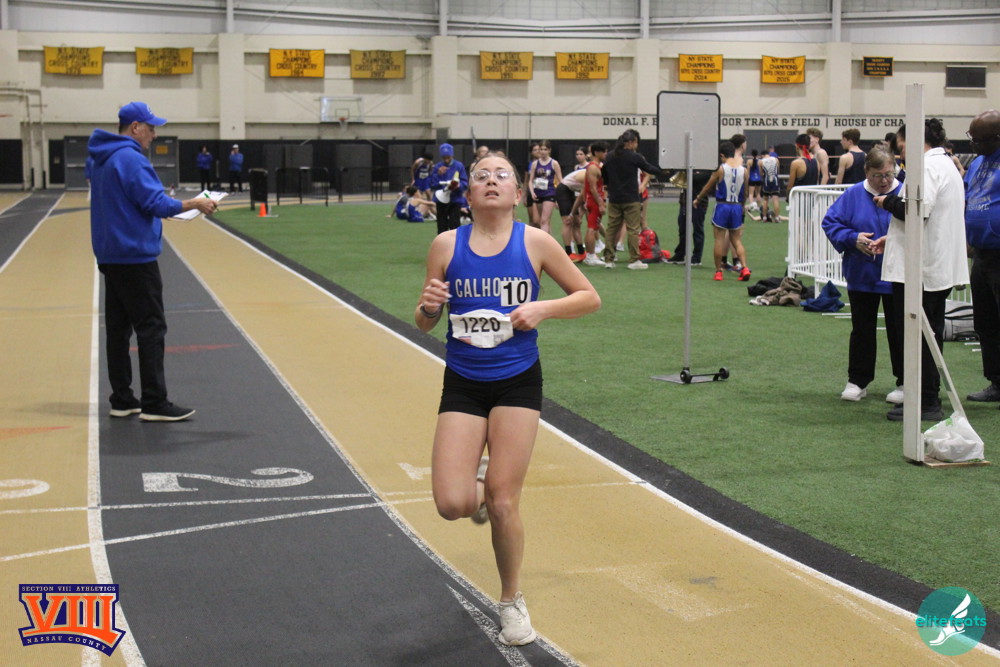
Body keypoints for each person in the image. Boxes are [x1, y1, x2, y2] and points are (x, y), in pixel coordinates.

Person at [414, 152, 600, 646]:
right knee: (452, 503)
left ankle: (511, 600)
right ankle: (479, 482)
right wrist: (427, 309)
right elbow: (426, 320)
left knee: (502, 500)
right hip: (463, 381)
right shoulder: (445, 245)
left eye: (502, 176)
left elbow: (588, 297)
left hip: (517, 380)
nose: (491, 181)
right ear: (469, 194)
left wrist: (543, 309)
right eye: (481, 176)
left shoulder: (535, 241)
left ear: (519, 194)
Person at [89, 102, 218, 421]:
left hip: (110, 254)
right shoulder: (131, 158)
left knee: (118, 330)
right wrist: (195, 203)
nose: (154, 135)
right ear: (135, 127)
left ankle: (122, 399)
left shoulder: (100, 158)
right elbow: (155, 202)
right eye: (150, 128)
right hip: (135, 255)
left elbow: (125, 202)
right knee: (151, 327)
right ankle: (154, 401)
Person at [870, 118, 970, 421]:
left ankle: (926, 401)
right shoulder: (945, 164)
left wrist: (887, 202)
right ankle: (925, 397)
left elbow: (916, 211)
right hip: (932, 264)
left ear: (913, 140)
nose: (900, 151)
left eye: (901, 145)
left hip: (922, 271)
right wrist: (893, 237)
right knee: (927, 336)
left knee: (919, 337)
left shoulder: (926, 167)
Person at [821, 147, 903, 403]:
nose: (884, 180)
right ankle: (858, 380)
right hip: (862, 274)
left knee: (899, 330)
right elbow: (830, 222)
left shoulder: (904, 193)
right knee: (862, 329)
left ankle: (905, 381)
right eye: (878, 175)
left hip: (898, 275)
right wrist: (852, 238)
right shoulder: (853, 194)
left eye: (888, 174)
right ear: (866, 172)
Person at [963, 109, 1000, 405]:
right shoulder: (976, 164)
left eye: (979, 140)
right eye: (971, 138)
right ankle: (996, 382)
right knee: (985, 322)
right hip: (981, 255)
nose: (973, 144)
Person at [600, 129, 664, 270]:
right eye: (636, 142)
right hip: (631, 198)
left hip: (614, 198)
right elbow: (649, 169)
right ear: (631, 142)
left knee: (612, 229)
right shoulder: (635, 157)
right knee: (633, 229)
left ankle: (609, 259)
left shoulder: (609, 156)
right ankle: (634, 259)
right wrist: (664, 169)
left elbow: (604, 174)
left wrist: (609, 185)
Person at [694, 140, 752, 281]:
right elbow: (745, 192)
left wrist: (698, 199)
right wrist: (742, 206)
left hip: (722, 206)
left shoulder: (721, 169)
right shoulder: (744, 171)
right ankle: (744, 268)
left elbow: (708, 187)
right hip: (736, 206)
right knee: (736, 240)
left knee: (719, 240)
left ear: (722, 155)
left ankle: (718, 271)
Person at [666, 167, 711, 266]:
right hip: (684, 201)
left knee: (698, 230)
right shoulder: (687, 167)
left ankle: (696, 257)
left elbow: (698, 178)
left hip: (699, 203)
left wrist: (686, 172)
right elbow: (676, 174)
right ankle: (680, 254)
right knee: (682, 228)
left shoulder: (706, 168)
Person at [431, 143, 468, 235]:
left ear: (452, 155)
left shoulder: (459, 166)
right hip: (441, 199)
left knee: (455, 224)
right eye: (444, 158)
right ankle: (442, 242)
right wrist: (438, 174)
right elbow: (433, 184)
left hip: (455, 199)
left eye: (448, 157)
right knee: (441, 225)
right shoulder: (437, 167)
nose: (446, 160)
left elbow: (465, 182)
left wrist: (458, 186)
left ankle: (456, 242)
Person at [581, 141, 609, 266]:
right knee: (592, 229)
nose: (606, 154)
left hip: (594, 200)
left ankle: (591, 255)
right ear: (597, 152)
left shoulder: (597, 166)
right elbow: (592, 188)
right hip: (594, 201)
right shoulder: (593, 167)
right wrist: (600, 203)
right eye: (604, 152)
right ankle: (590, 256)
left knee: (594, 227)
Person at [554, 155, 586, 261]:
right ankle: (568, 253)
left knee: (577, 222)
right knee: (567, 222)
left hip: (570, 192)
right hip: (563, 191)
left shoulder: (593, 176)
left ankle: (581, 252)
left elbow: (583, 198)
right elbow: (581, 197)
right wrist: (572, 213)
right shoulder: (586, 175)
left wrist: (577, 213)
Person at [527, 140, 562, 235]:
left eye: (545, 149)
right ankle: (550, 240)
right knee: (543, 221)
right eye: (541, 149)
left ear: (549, 150)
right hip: (538, 193)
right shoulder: (535, 164)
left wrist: (559, 198)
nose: (543, 152)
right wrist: (532, 192)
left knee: (544, 220)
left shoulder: (554, 163)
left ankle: (543, 241)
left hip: (549, 193)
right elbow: (530, 180)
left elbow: (561, 181)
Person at [786, 133, 819, 197]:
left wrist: (788, 197)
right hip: (812, 198)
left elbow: (790, 186)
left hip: (799, 198)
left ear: (797, 146)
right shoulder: (817, 162)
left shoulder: (796, 163)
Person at [759, 151, 782, 222]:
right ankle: (777, 218)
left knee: (765, 200)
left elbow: (761, 173)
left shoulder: (761, 161)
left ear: (762, 155)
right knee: (775, 200)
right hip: (775, 180)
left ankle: (764, 218)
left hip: (766, 181)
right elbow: (778, 170)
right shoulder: (776, 159)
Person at [745, 149, 763, 216]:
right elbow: (761, 172)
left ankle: (751, 206)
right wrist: (760, 177)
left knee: (751, 194)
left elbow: (748, 171)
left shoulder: (749, 161)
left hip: (752, 179)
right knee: (758, 193)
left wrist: (747, 179)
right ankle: (758, 207)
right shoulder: (760, 161)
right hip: (758, 179)